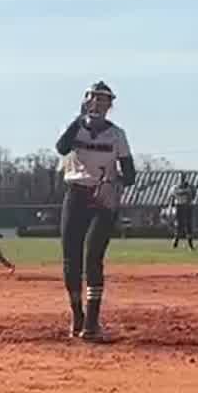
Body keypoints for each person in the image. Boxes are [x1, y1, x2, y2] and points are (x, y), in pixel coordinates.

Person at [55, 82, 136, 341]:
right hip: (76, 194)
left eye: (104, 100)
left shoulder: (116, 135)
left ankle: (91, 322)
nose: (98, 104)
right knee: (71, 259)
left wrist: (114, 184)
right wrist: (79, 118)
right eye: (94, 99)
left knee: (93, 256)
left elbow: (130, 174)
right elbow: (61, 147)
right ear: (86, 101)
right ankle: (77, 316)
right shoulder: (75, 128)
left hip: (102, 199)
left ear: (110, 105)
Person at [172, 175, 196, 249]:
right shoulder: (175, 187)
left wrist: (191, 190)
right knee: (179, 226)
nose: (182, 180)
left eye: (183, 178)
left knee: (189, 225)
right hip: (179, 207)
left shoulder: (188, 187)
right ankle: (175, 242)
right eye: (180, 178)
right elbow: (175, 195)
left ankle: (190, 244)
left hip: (187, 206)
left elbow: (191, 197)